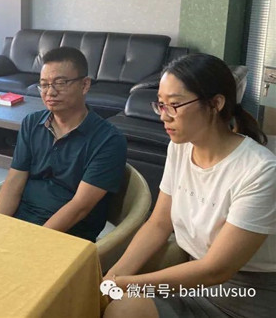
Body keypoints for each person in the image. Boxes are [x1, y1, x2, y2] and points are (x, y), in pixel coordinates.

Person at [103, 53, 276, 318]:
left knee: (124, 308)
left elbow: (216, 269)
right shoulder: (181, 148)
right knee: (117, 305)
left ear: (215, 103)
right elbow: (159, 224)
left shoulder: (260, 170)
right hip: (192, 279)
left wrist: (123, 285)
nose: (164, 116)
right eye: (160, 105)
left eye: (174, 105)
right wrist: (112, 277)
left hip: (243, 294)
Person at [0, 46, 127, 242]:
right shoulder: (32, 123)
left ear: (85, 85)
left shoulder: (108, 140)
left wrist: (34, 240)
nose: (50, 92)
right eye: (44, 85)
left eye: (60, 83)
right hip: (22, 221)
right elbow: (14, 182)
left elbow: (80, 207)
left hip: (68, 235)